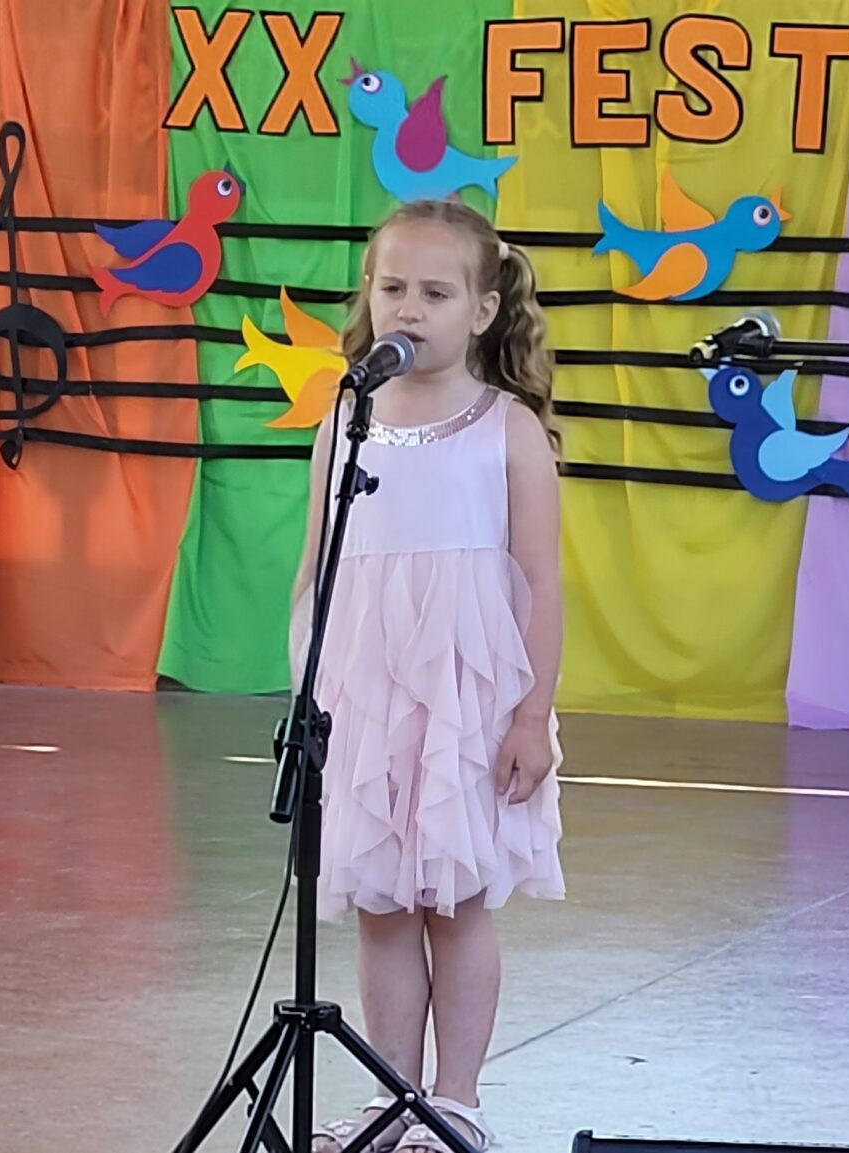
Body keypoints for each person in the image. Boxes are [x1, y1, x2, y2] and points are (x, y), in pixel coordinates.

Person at [291, 198, 566, 1153]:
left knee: (454, 903)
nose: (408, 308)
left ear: (483, 310)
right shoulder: (345, 421)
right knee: (381, 904)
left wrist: (530, 715)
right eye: (393, 287)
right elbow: (317, 567)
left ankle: (456, 1102)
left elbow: (540, 581)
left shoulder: (507, 429)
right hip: (366, 697)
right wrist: (308, 691)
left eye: (436, 293)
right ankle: (391, 1094)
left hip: (466, 698)